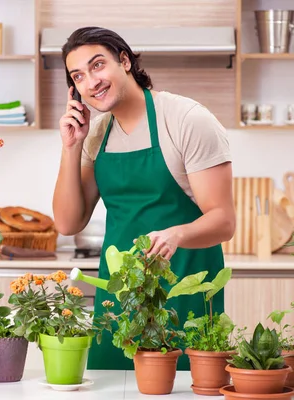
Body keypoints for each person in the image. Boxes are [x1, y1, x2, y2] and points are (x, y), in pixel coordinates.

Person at [52, 26, 236, 371]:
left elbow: (223, 221)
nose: (90, 82)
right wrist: (71, 146)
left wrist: (176, 234)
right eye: (78, 76)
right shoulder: (97, 135)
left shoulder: (186, 120)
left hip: (184, 293)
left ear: (124, 61)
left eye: (97, 65)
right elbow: (67, 222)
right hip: (119, 301)